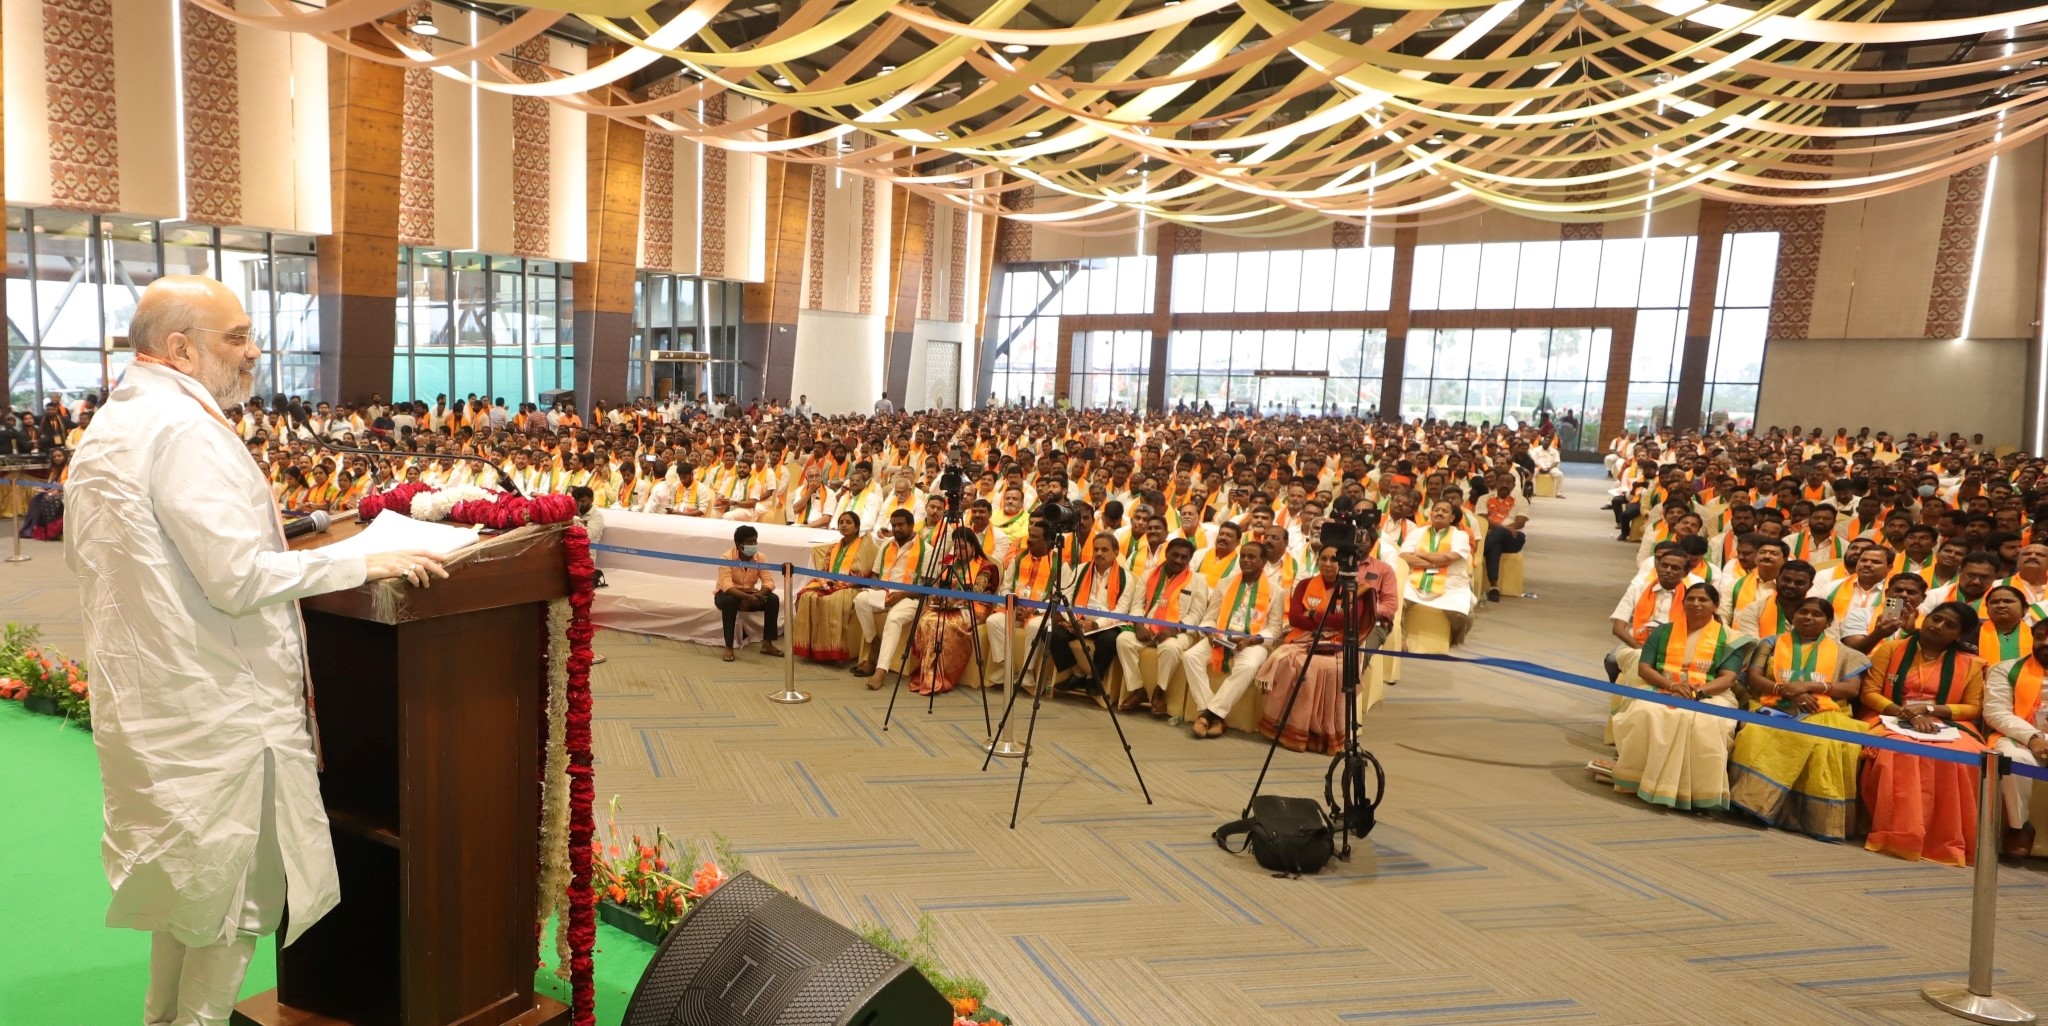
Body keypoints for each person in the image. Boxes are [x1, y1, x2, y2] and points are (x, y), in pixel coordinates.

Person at [64, 276, 448, 1026]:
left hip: (160, 704)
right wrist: (361, 562)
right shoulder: (181, 431)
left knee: (186, 907)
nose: (253, 352)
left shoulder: (119, 419)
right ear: (179, 349)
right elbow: (237, 578)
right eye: (236, 338)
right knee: (235, 903)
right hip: (219, 711)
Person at [1728, 597, 1873, 841]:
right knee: (1756, 732)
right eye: (1803, 612)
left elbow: (1850, 690)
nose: (1808, 617)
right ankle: (1750, 804)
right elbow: (1754, 678)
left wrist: (1808, 687)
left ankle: (1812, 818)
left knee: (1826, 742)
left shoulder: (1845, 653)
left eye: (1816, 614)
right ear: (1792, 617)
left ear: (1828, 622)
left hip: (1826, 710)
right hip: (1772, 705)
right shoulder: (1771, 643)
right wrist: (1786, 691)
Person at [1860, 602, 1989, 865]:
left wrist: (1931, 709)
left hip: (1946, 723)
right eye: (1936, 618)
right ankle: (1900, 834)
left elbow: (1973, 707)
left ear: (1959, 635)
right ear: (1925, 617)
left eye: (1949, 625)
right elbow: (1869, 691)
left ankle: (1944, 839)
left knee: (1965, 756)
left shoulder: (1971, 664)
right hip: (1890, 716)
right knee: (1898, 752)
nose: (1938, 626)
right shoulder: (1891, 649)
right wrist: (1906, 713)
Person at [1609, 582, 1749, 810]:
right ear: (1682, 603)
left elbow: (1728, 678)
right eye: (1690, 599)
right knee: (1645, 711)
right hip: (1665, 688)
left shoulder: (1732, 638)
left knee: (1707, 722)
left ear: (1715, 606)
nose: (1695, 603)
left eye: (1703, 600)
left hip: (1711, 693)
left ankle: (1695, 792)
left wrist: (1698, 691)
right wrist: (1672, 686)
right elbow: (1645, 668)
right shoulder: (1663, 631)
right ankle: (1640, 781)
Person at [1256, 542, 1397, 753]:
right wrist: (1328, 620)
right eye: (1324, 559)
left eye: (1334, 560)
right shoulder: (1305, 585)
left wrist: (1313, 615)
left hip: (1339, 643)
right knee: (1286, 660)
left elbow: (1349, 622)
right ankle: (1288, 729)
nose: (1328, 564)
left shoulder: (1355, 589)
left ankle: (1321, 734)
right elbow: (1295, 619)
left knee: (1324, 669)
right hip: (1305, 638)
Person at [1178, 539, 1283, 738]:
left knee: (1248, 667)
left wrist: (1250, 641)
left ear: (1263, 562)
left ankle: (1208, 715)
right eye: (1243, 556)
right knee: (1190, 657)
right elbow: (1210, 617)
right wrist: (1209, 634)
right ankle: (1212, 714)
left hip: (1252, 642)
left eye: (1252, 557)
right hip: (1220, 636)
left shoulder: (1276, 591)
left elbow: (1275, 629)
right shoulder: (1225, 584)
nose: (1245, 560)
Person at [1114, 537, 1211, 716]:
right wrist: (1139, 625)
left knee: (1170, 648)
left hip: (1179, 631)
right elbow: (1137, 605)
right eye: (1175, 555)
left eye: (1184, 557)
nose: (1178, 560)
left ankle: (1160, 691)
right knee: (1123, 640)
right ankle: (1137, 690)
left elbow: (1196, 615)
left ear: (1190, 560)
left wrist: (1173, 629)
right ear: (1166, 553)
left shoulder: (1198, 581)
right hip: (1147, 627)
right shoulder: (1148, 575)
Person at [905, 527, 1000, 696]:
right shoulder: (951, 562)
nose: (958, 551)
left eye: (963, 548)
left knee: (945, 626)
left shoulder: (986, 566)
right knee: (927, 620)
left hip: (976, 606)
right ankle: (927, 671)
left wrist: (958, 590)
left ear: (973, 546)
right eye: (956, 547)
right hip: (950, 604)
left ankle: (942, 675)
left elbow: (977, 591)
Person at [1050, 534, 1134, 693]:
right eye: (1096, 549)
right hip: (1077, 621)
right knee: (1050, 631)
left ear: (1116, 553)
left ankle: (1094, 678)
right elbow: (1066, 597)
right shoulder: (1080, 570)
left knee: (1109, 640)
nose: (1099, 553)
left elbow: (1121, 611)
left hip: (1105, 625)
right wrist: (1073, 620)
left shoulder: (1126, 578)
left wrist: (1094, 624)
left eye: (1104, 549)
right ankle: (1077, 672)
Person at [791, 512, 875, 664]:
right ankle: (813, 649)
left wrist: (842, 584)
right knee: (807, 596)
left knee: (834, 600)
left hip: (854, 586)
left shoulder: (865, 545)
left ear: (856, 527)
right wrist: (825, 582)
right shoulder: (835, 547)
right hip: (832, 583)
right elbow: (824, 569)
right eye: (841, 522)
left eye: (848, 522)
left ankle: (833, 651)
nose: (843, 525)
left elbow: (864, 572)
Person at [854, 509, 925, 688]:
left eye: (901, 525)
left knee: (894, 619)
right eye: (894, 525)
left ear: (911, 525)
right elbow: (875, 575)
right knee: (860, 600)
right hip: (886, 594)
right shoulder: (886, 545)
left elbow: (928, 587)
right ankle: (873, 644)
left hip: (911, 598)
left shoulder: (927, 550)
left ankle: (880, 670)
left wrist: (901, 595)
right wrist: (878, 589)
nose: (897, 529)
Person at [985, 521, 1060, 688]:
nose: (1029, 540)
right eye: (1029, 535)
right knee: (993, 621)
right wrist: (1013, 605)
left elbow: (1059, 597)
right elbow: (1006, 586)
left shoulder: (1059, 565)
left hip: (1040, 613)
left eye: (1034, 537)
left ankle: (1027, 672)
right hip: (1015, 608)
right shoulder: (1018, 558)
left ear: (1047, 541)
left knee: (1035, 627)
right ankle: (1007, 667)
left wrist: (1033, 609)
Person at [1400, 499, 1477, 644]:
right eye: (1436, 510)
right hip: (1416, 581)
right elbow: (1404, 556)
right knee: (1398, 603)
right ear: (1431, 513)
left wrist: (1420, 554)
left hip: (1450, 585)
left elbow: (1451, 557)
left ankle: (1455, 641)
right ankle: (1401, 638)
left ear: (1452, 518)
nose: (1439, 513)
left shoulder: (1460, 536)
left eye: (1444, 511)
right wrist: (1437, 562)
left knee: (1462, 615)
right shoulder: (1417, 533)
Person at [713, 525, 784, 662]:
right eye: (750, 542)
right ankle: (729, 647)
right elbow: (727, 586)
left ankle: (767, 644)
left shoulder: (760, 557)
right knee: (729, 601)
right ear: (739, 545)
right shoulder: (726, 558)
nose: (754, 545)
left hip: (752, 594)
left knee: (773, 599)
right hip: (728, 595)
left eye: (755, 541)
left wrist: (757, 596)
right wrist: (745, 597)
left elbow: (769, 582)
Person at [1481, 471, 1530, 602]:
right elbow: (1483, 519)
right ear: (1496, 483)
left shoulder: (1521, 500)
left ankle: (1479, 554)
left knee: (1499, 532)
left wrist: (1504, 529)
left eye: (1508, 482)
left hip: (1514, 537)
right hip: (1492, 536)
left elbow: (1521, 521)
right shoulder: (1485, 498)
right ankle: (1494, 587)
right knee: (1495, 547)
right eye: (1501, 481)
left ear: (1514, 485)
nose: (1504, 485)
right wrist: (1503, 528)